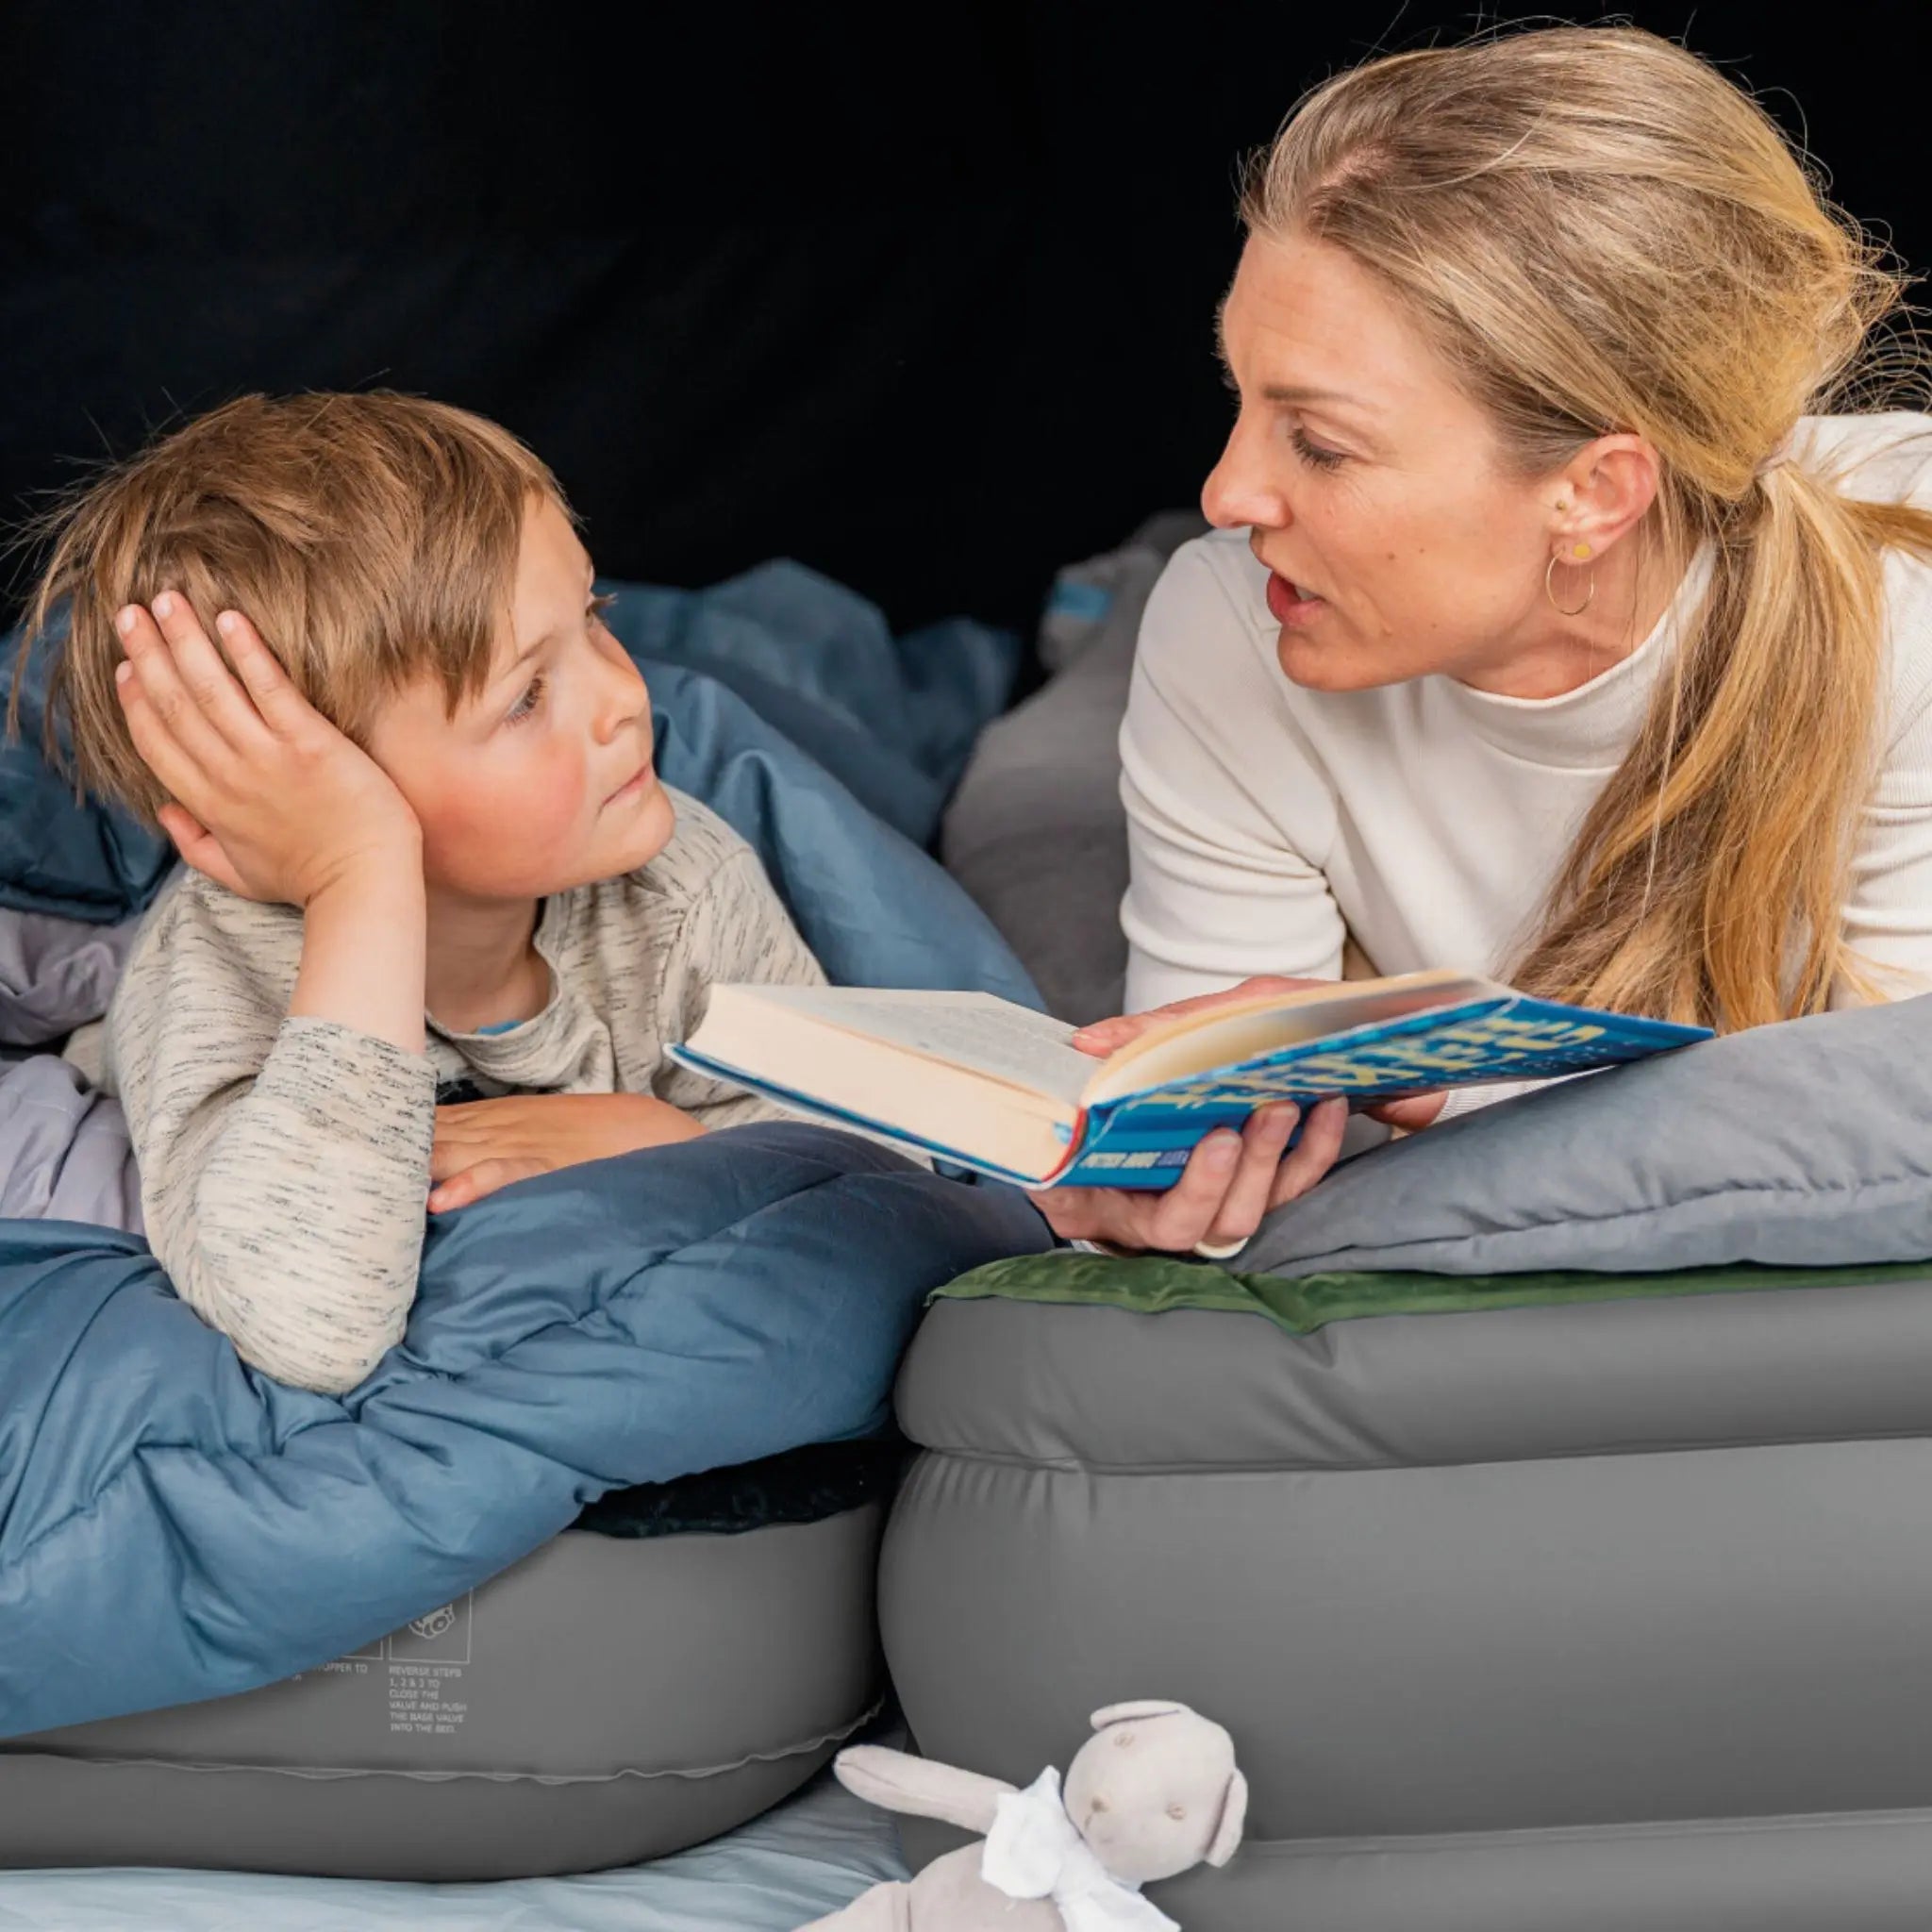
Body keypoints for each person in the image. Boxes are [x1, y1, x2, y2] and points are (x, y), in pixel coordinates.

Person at [1032, 23, 1932, 1259]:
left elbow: (1884, 1139)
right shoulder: (1224, 619)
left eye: (1321, 443)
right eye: (1238, 399)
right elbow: (1207, 1166)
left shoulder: (1907, 601)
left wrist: (1430, 1094)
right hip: (1219, 655)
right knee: (1025, 809)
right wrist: (1146, 1195)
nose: (1228, 491)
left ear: (1596, 491)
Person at [12, 392, 827, 1393]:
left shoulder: (678, 886)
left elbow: (878, 1178)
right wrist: (360, 871)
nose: (626, 698)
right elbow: (310, 1321)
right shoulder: (217, 970)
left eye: (594, 619)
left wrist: (667, 1140)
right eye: (525, 695)